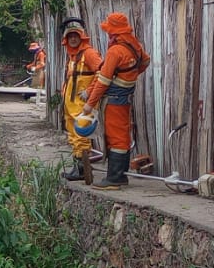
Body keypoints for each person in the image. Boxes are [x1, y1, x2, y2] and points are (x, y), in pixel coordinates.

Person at [85, 12, 151, 190]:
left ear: (112, 31)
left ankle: (115, 178)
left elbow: (103, 82)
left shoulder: (115, 51)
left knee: (117, 137)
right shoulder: (134, 44)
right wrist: (130, 77)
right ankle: (119, 175)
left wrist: (89, 105)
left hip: (114, 99)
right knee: (122, 132)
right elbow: (145, 61)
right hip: (126, 95)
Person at [59, 23, 103, 185]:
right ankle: (78, 168)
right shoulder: (72, 56)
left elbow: (102, 73)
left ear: (81, 37)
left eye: (75, 36)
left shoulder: (90, 54)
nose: (72, 39)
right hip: (71, 105)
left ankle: (84, 169)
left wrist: (90, 91)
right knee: (73, 136)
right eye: (70, 37)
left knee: (82, 136)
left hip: (84, 104)